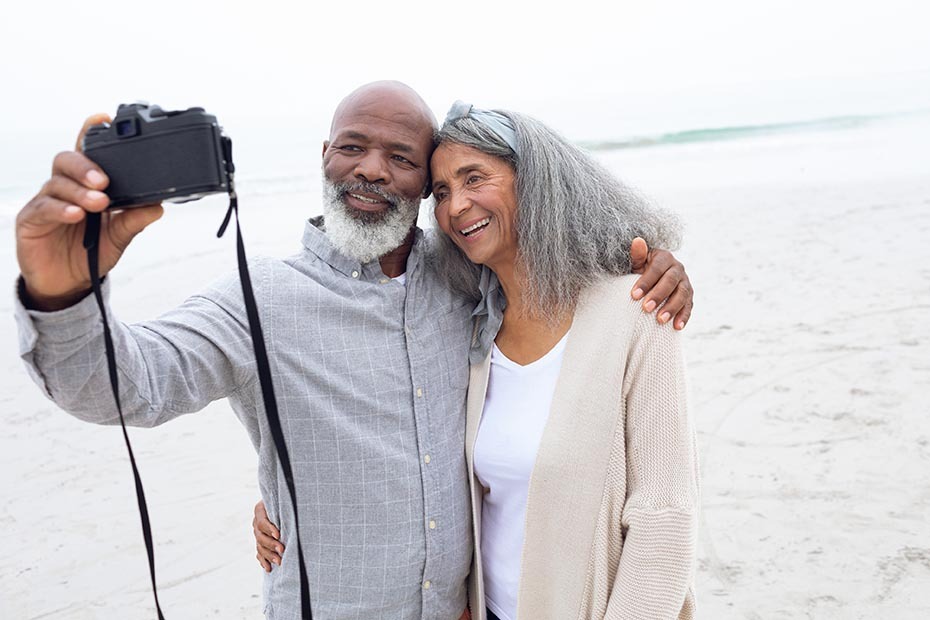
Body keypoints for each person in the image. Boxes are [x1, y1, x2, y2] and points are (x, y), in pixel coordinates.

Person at [15, 82, 694, 620]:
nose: (373, 170)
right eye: (353, 147)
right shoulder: (259, 300)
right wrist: (64, 292)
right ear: (324, 157)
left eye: (402, 158)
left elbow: (554, 257)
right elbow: (125, 385)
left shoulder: (465, 282)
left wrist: (650, 264)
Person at [256, 101, 698, 619]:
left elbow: (664, 519)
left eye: (474, 178)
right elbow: (411, 452)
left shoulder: (637, 311)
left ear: (534, 179)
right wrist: (280, 500)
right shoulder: (471, 327)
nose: (456, 206)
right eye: (440, 192)